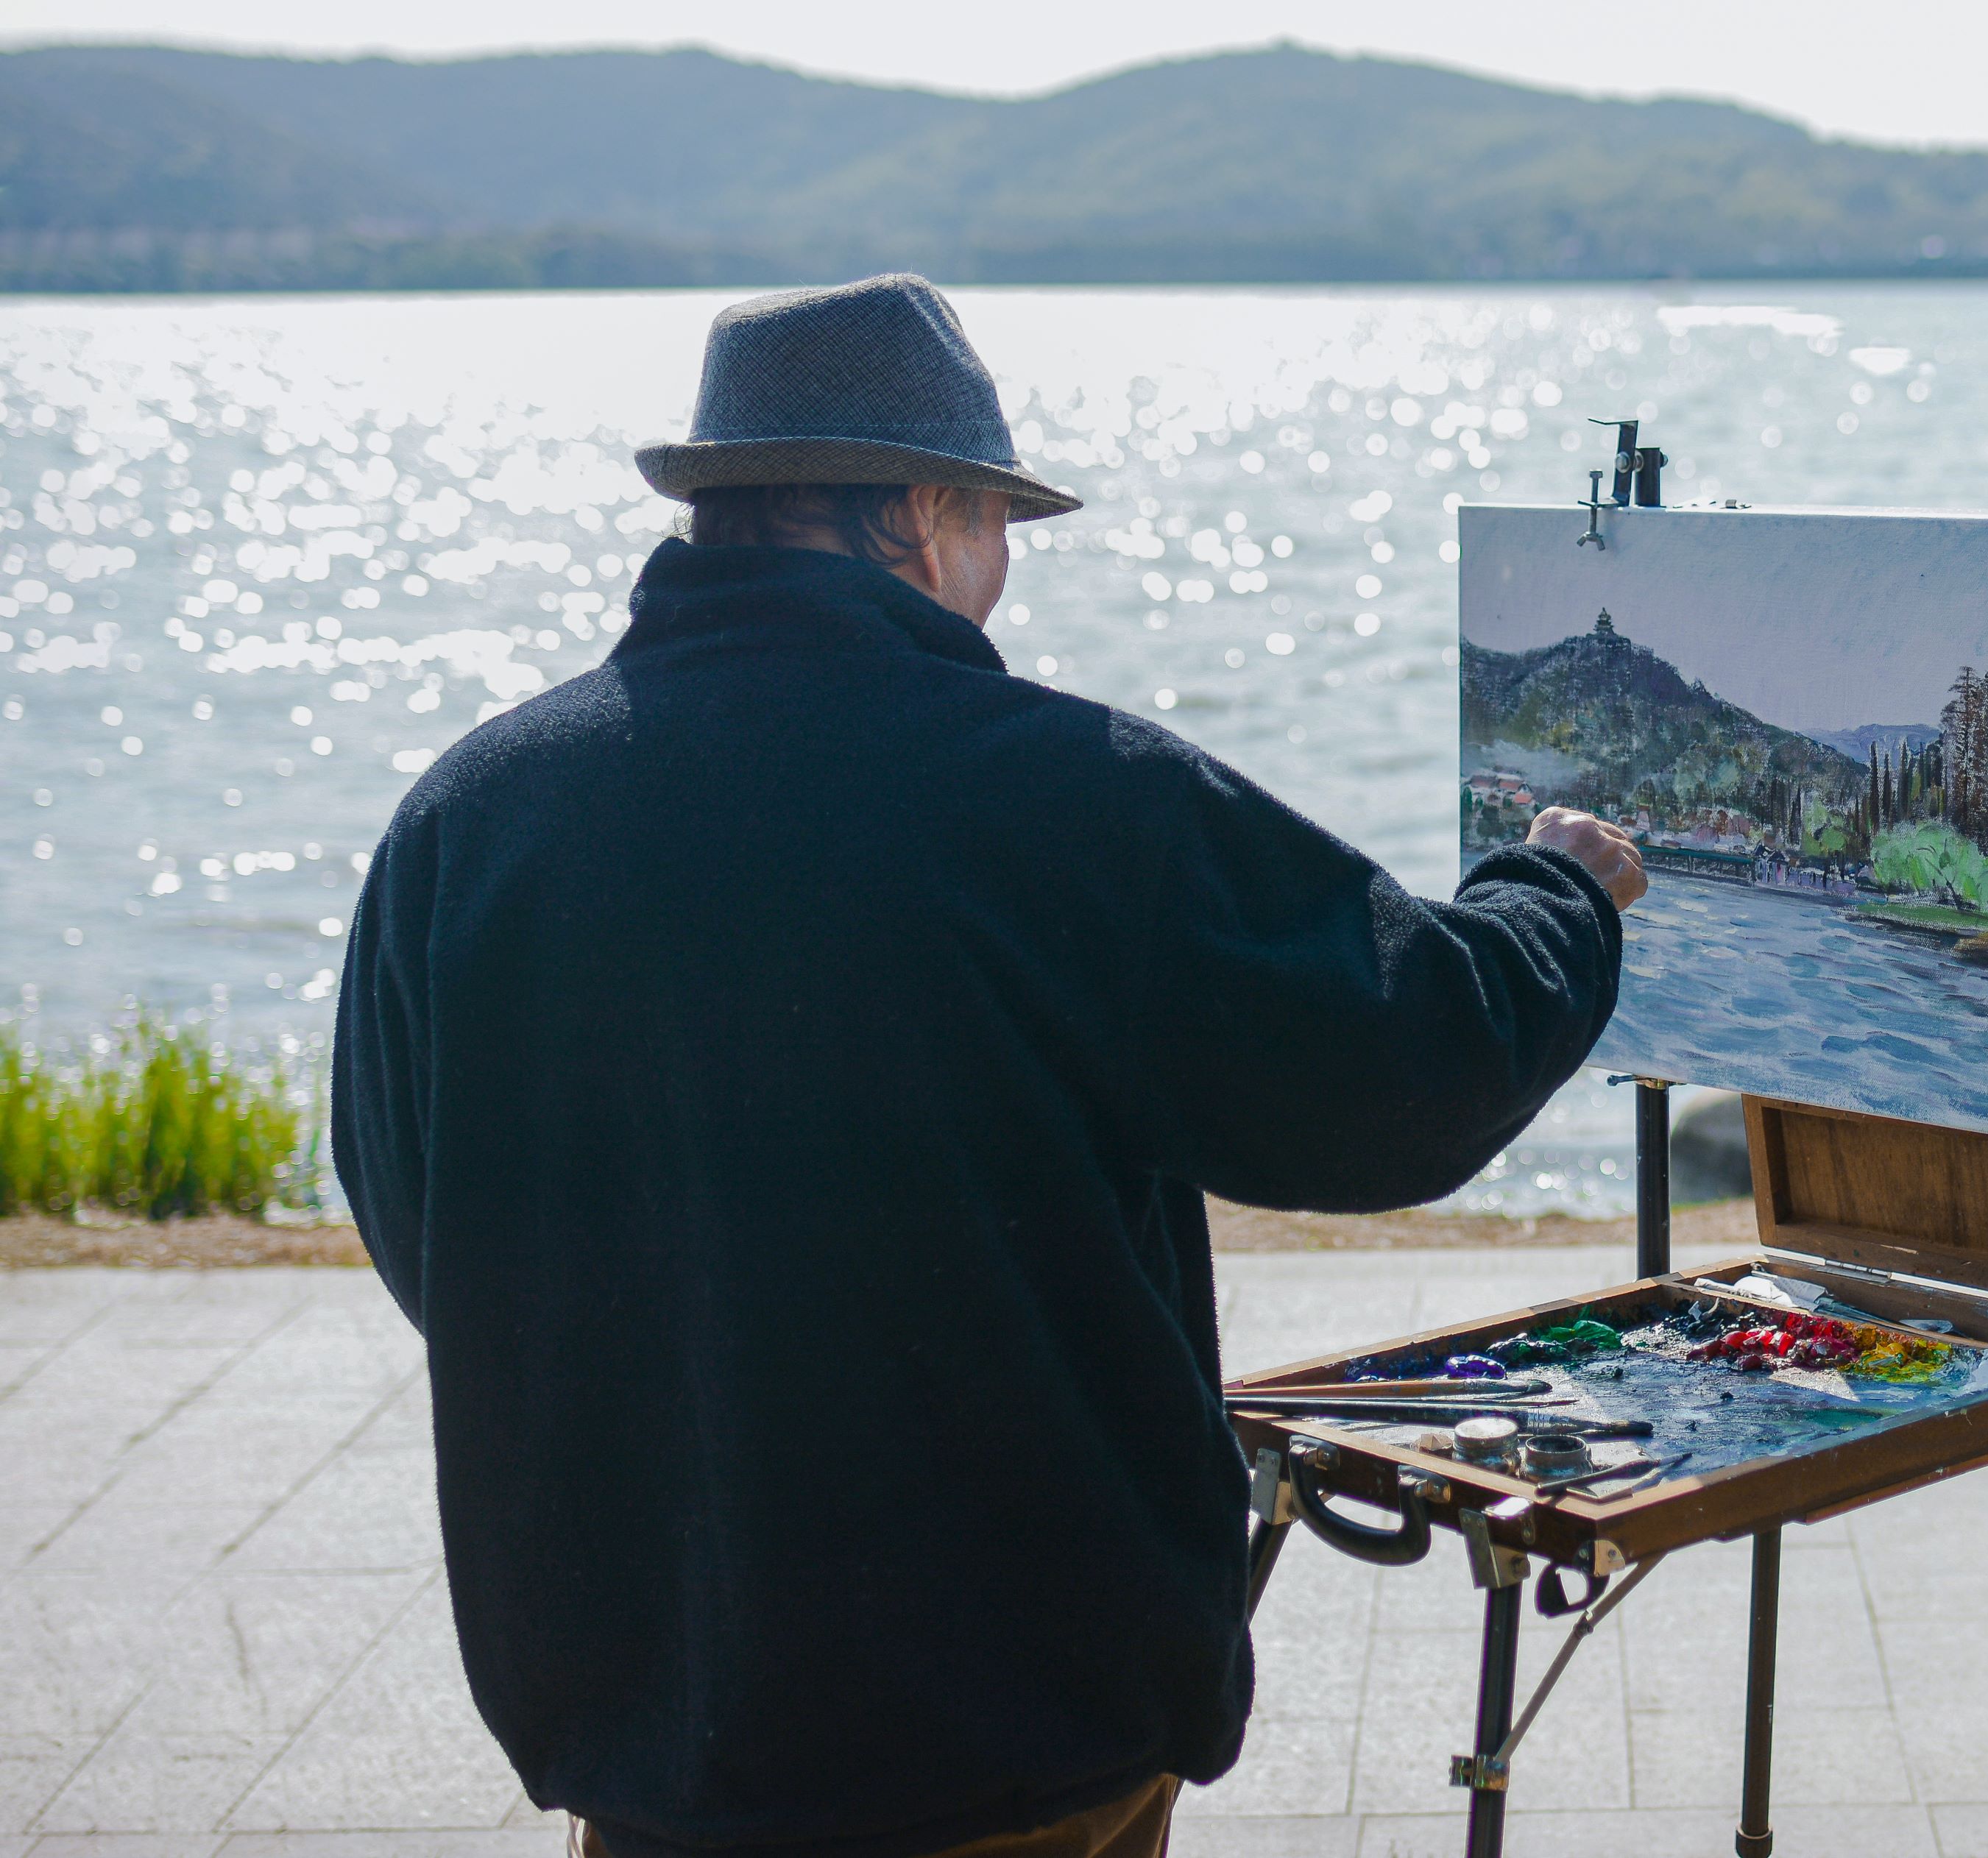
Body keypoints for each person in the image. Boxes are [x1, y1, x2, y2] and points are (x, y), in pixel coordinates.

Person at [332, 274, 1645, 1858]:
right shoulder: (1070, 803)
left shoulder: (472, 817)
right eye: (1002, 523)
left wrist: (680, 1371)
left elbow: (418, 1214)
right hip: (1007, 1738)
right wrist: (1554, 889)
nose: (1003, 572)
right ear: (930, 512)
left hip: (655, 1734)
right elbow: (1408, 1066)